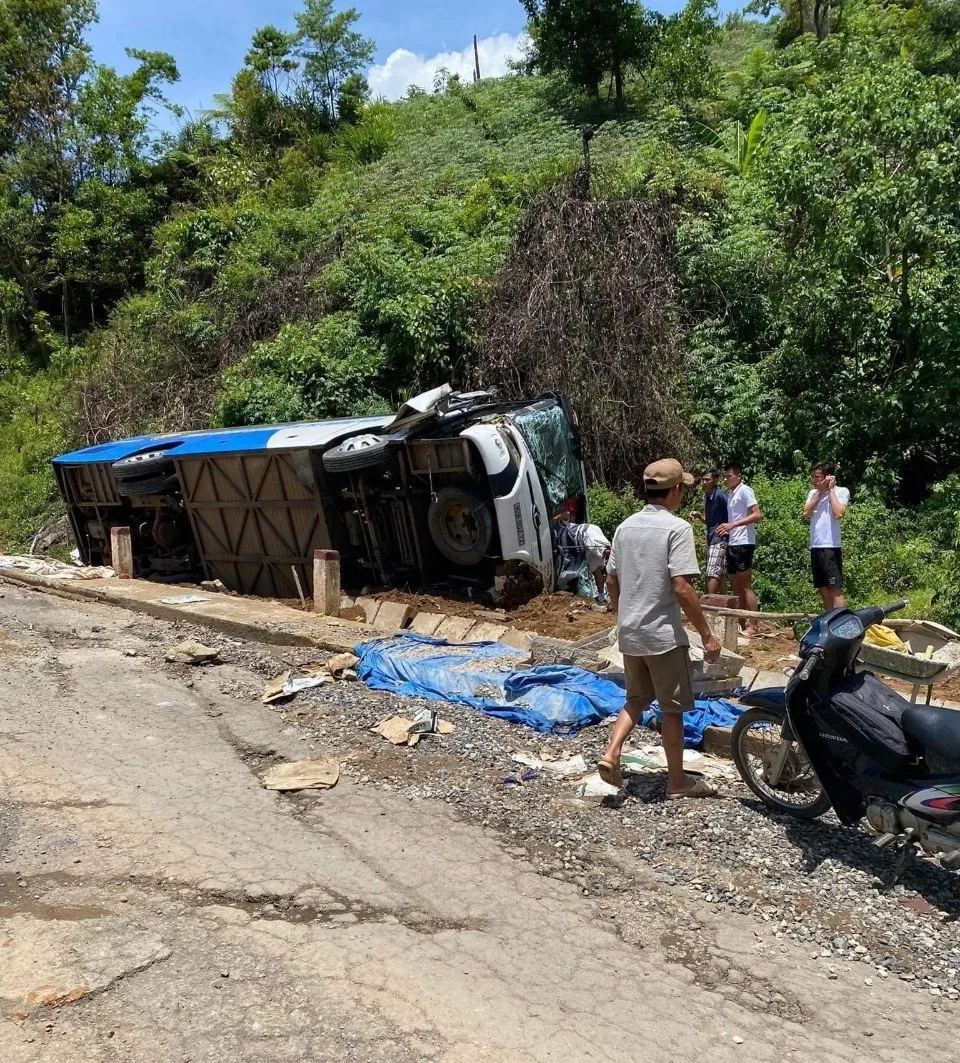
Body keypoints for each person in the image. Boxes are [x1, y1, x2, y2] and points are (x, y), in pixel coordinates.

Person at [597, 459, 722, 800]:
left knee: (636, 698)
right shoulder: (677, 529)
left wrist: (622, 615)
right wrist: (708, 635)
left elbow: (611, 578)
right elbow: (682, 587)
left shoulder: (624, 527)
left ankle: (611, 753)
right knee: (672, 710)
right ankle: (677, 783)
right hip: (663, 636)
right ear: (677, 490)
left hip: (630, 631)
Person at [716, 463, 763, 637]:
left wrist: (733, 525)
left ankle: (754, 624)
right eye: (725, 476)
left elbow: (757, 514)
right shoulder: (730, 494)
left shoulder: (745, 491)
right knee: (735, 586)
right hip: (733, 543)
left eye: (729, 476)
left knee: (745, 586)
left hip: (744, 542)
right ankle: (740, 622)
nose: (726, 479)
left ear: (738, 476)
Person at [803, 461, 849, 610]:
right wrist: (820, 492)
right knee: (822, 588)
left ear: (828, 477)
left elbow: (839, 513)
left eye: (817, 477)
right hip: (816, 545)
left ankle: (841, 624)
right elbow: (806, 513)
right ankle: (829, 621)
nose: (814, 480)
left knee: (834, 588)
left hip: (830, 546)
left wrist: (830, 491)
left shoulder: (842, 491)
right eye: (813, 477)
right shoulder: (813, 493)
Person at [553, 509, 611, 604]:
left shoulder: (571, 526)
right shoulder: (554, 528)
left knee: (593, 542)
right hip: (580, 549)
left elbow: (567, 514)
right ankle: (601, 596)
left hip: (585, 535)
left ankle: (605, 550)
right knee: (597, 570)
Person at [690, 469, 729, 595]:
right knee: (720, 573)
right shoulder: (707, 497)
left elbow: (734, 512)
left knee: (711, 572)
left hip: (719, 539)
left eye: (708, 479)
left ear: (715, 480)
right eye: (703, 479)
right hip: (711, 538)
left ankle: (708, 603)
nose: (705, 482)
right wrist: (699, 516)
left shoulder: (721, 495)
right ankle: (725, 605)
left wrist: (729, 527)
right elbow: (709, 522)